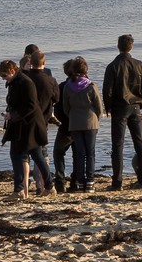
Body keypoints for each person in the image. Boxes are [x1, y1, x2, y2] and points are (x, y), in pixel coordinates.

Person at [103, 34, 142, 189]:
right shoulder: (139, 65)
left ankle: (117, 182)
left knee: (118, 145)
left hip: (119, 108)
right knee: (139, 143)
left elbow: (107, 91)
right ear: (131, 47)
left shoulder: (113, 66)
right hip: (136, 107)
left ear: (118, 46)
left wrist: (108, 108)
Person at [0, 58, 48, 200]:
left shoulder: (25, 83)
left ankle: (24, 189)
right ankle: (46, 186)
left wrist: (13, 115)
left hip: (28, 126)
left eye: (4, 76)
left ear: (12, 71)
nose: (3, 79)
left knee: (31, 155)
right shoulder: (15, 82)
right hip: (22, 125)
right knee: (31, 155)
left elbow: (31, 106)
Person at [56, 56, 105, 193]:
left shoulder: (68, 87)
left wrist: (72, 115)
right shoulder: (91, 85)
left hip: (75, 123)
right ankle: (90, 182)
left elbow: (65, 108)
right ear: (86, 70)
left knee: (80, 154)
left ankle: (80, 182)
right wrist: (96, 117)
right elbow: (99, 107)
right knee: (90, 154)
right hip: (90, 122)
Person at [22, 46, 60, 194]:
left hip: (26, 120)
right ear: (44, 63)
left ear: (30, 62)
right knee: (40, 153)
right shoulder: (50, 79)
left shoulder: (25, 78)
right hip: (43, 119)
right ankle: (44, 185)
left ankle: (27, 187)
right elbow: (56, 98)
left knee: (25, 154)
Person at [51, 58, 76, 193]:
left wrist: (59, 120)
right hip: (81, 125)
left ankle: (60, 182)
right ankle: (76, 181)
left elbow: (57, 106)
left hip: (66, 126)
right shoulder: (87, 84)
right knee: (78, 155)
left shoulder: (62, 87)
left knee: (58, 153)